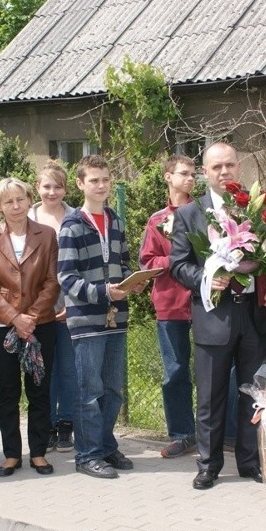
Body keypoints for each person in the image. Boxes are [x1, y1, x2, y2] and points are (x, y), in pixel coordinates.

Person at [170, 142, 266, 490]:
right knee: (209, 396)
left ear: (239, 168)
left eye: (230, 165)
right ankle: (209, 464)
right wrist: (207, 278)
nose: (224, 172)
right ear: (205, 173)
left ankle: (251, 462)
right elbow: (178, 265)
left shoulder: (259, 208)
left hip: (255, 316)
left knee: (254, 393)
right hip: (213, 318)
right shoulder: (190, 214)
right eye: (216, 167)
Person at [58, 154, 145, 479]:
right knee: (89, 390)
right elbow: (66, 279)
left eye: (106, 179)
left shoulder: (116, 221)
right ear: (80, 184)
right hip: (86, 322)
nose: (101, 185)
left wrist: (131, 282)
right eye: (94, 180)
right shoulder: (72, 225)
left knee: (113, 390)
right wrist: (105, 292)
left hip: (116, 319)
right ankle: (87, 455)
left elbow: (120, 264)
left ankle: (106, 446)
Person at [0, 177, 59, 478]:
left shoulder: (47, 234)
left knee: (39, 390)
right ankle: (12, 454)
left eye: (20, 199)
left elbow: (52, 281)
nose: (15, 206)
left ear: (28, 200)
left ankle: (38, 453)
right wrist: (14, 317)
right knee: (8, 391)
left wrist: (31, 317)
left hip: (41, 325)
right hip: (1, 326)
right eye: (8, 201)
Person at [139, 154, 197, 458]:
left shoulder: (204, 213)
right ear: (168, 177)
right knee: (174, 371)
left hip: (204, 302)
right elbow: (146, 261)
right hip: (170, 304)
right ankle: (182, 434)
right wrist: (176, 261)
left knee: (212, 371)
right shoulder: (157, 220)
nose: (189, 179)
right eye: (183, 173)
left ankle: (220, 433)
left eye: (192, 174)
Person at [29, 162, 77, 453]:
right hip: (37, 307)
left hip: (70, 305)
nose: (52, 192)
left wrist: (72, 304)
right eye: (46, 186)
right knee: (42, 370)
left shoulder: (76, 217)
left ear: (66, 189)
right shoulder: (27, 217)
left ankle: (65, 424)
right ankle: (44, 424)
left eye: (58, 186)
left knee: (68, 369)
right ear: (37, 188)